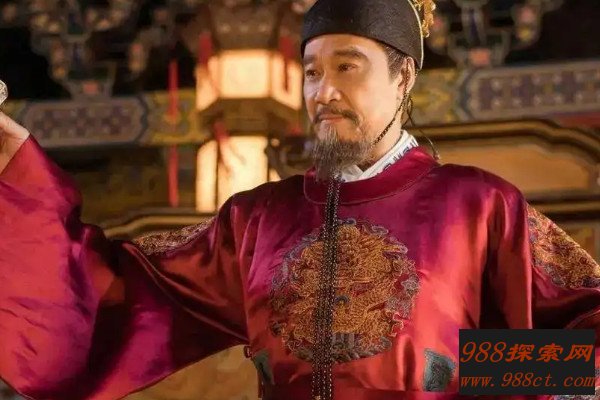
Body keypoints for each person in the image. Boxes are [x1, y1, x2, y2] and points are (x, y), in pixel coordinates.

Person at [0, 0, 599, 399]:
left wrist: (462, 367)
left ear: (404, 77)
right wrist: (12, 165)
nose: (324, 91)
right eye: (312, 72)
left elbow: (586, 334)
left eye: (347, 67)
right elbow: (113, 298)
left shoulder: (479, 204)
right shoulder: (256, 219)